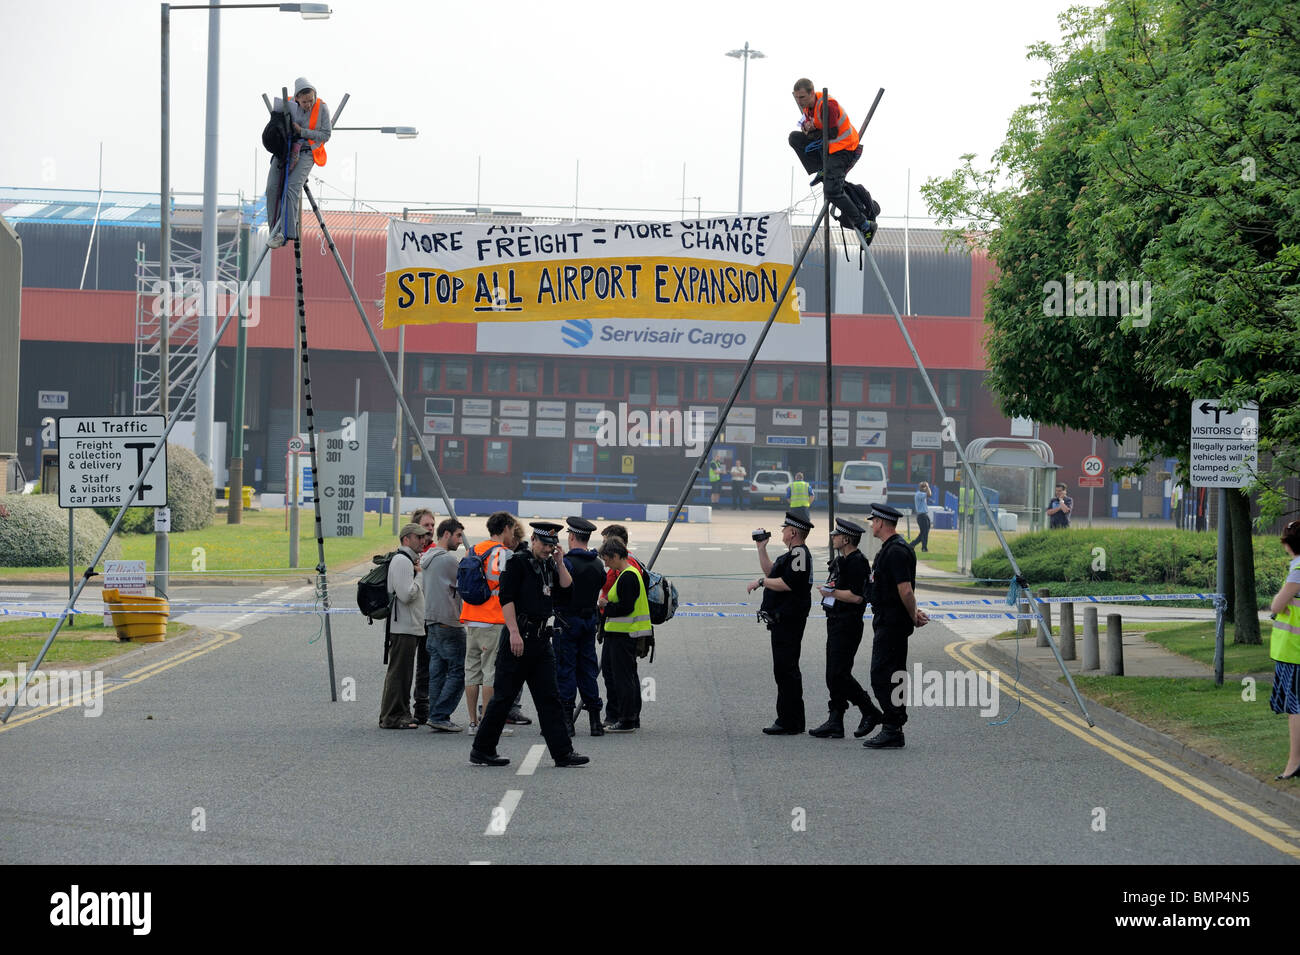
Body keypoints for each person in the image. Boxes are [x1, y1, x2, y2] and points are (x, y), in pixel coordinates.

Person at [470, 523, 589, 768]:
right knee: (503, 698)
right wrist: (513, 632)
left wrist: (558, 562)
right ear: (533, 539)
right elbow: (507, 599)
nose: (548, 549)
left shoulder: (548, 564)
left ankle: (563, 753)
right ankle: (482, 750)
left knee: (550, 698)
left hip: (541, 640)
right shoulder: (517, 562)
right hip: (518, 637)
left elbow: (567, 590)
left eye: (551, 545)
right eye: (545, 544)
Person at [861, 503, 930, 750]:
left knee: (882, 675)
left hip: (892, 624)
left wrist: (913, 615)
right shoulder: (890, 549)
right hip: (888, 621)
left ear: (881, 522)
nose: (871, 525)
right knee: (890, 675)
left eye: (873, 521)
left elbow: (905, 589)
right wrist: (912, 611)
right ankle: (893, 727)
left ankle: (893, 726)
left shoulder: (896, 551)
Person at [747, 512, 814, 735]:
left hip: (789, 621)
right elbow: (771, 571)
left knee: (787, 670)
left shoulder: (800, 554)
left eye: (785, 529)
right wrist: (761, 548)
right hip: (782, 621)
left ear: (793, 532)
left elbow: (787, 584)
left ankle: (789, 721)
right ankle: (790, 719)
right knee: (783, 670)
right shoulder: (792, 555)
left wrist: (761, 582)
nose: (783, 532)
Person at [810, 518, 875, 739]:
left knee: (839, 673)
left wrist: (831, 593)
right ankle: (835, 720)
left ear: (846, 539)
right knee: (832, 674)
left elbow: (857, 597)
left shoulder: (857, 562)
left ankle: (869, 710)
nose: (833, 537)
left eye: (837, 535)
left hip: (848, 623)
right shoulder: (841, 561)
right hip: (835, 620)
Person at [787, 78, 870, 235]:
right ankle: (822, 169)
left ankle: (863, 223)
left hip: (843, 148)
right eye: (797, 97)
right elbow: (808, 129)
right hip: (828, 148)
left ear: (812, 93)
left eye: (802, 97)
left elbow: (831, 133)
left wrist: (812, 130)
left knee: (831, 191)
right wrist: (807, 130)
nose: (799, 101)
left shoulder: (827, 106)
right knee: (794, 138)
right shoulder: (807, 107)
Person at [461, 511, 513, 732]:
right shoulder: (504, 554)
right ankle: (488, 724)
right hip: (493, 619)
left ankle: (472, 722)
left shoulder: (473, 550)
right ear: (504, 529)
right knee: (490, 672)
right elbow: (507, 587)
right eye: (511, 530)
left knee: (472, 672)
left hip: (471, 617)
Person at [554, 517, 606, 737]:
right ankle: (595, 721)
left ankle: (567, 722)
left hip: (567, 622)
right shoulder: (597, 564)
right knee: (588, 671)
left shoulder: (567, 563)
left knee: (565, 670)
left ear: (572, 536)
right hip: (588, 622)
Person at [266, 77, 330, 249]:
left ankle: (287, 233)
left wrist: (303, 132)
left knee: (291, 188)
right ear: (296, 99)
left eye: (311, 100)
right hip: (285, 149)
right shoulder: (285, 105)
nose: (308, 104)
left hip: (308, 151)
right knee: (272, 188)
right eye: (304, 102)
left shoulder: (322, 108)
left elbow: (325, 135)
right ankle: (274, 230)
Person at [598, 537, 649, 735]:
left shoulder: (628, 575)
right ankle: (631, 717)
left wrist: (605, 606)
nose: (606, 564)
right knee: (626, 676)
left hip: (623, 634)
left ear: (616, 556)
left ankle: (627, 719)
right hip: (621, 634)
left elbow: (625, 607)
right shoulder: (626, 574)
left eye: (607, 559)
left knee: (623, 678)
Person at [379, 522, 427, 729]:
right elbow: (406, 595)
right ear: (406, 539)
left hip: (408, 625)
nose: (423, 540)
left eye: (424, 537)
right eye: (418, 537)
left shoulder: (408, 560)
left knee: (404, 673)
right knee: (399, 674)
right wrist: (420, 575)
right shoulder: (402, 561)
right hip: (403, 627)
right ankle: (392, 717)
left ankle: (402, 714)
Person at [420, 517, 467, 733]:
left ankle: (435, 714)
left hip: (432, 620)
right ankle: (440, 714)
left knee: (437, 670)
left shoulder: (427, 557)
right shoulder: (448, 560)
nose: (460, 540)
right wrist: (468, 562)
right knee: (458, 670)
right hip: (449, 620)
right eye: (458, 535)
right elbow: (466, 583)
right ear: (446, 534)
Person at [1268, 520, 1300, 781]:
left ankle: (1294, 762)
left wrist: (1280, 604)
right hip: (1292, 649)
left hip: (1294, 650)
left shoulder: (1299, 568)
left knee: (1296, 707)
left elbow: (1277, 605)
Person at [409, 507, 437, 725]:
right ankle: (400, 707)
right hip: (409, 617)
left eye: (432, 525)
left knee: (427, 664)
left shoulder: (437, 551)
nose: (430, 529)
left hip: (430, 616)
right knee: (405, 664)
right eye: (426, 525)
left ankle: (423, 707)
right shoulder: (405, 552)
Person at [910, 482, 932, 552]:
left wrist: (927, 487)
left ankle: (912, 544)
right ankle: (924, 548)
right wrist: (928, 486)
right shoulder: (919, 494)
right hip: (922, 516)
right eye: (923, 487)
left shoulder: (921, 494)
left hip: (924, 515)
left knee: (924, 533)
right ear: (920, 488)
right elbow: (929, 494)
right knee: (924, 533)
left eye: (924, 487)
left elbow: (928, 494)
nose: (924, 488)